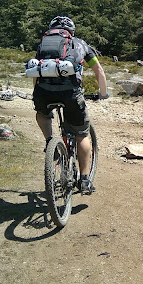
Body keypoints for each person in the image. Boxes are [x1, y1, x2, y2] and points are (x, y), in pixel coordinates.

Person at [32, 16, 109, 195]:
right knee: (82, 133)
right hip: (71, 94)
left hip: (43, 92)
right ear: (71, 31)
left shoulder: (43, 44)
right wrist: (103, 94)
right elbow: (98, 70)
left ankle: (50, 141)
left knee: (42, 113)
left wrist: (37, 93)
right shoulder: (80, 44)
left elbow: (36, 71)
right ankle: (84, 180)